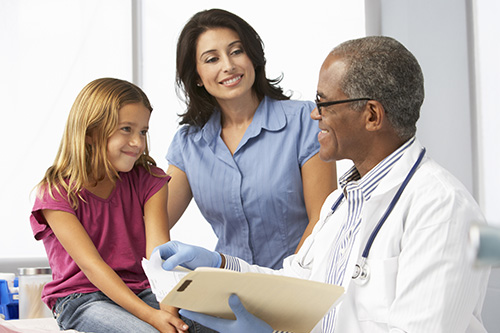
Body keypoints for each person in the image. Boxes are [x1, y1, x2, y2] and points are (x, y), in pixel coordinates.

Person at [155, 36, 490, 332]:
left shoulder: (441, 209)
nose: (314, 114)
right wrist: (222, 267)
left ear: (371, 115)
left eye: (324, 102)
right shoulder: (341, 202)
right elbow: (298, 284)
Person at [166, 8, 337, 269]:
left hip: (297, 289)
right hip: (225, 291)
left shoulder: (304, 120)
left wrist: (286, 286)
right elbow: (153, 224)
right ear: (197, 76)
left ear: (253, 57)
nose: (228, 65)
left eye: (236, 51)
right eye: (212, 59)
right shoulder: (189, 144)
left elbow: (322, 220)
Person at [29, 78, 189, 333]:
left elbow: (159, 257)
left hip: (144, 290)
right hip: (80, 298)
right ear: (91, 133)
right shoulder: (56, 192)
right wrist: (152, 317)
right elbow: (93, 267)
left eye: (143, 132)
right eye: (126, 129)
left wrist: (169, 315)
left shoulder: (151, 181)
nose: (138, 142)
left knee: (206, 327)